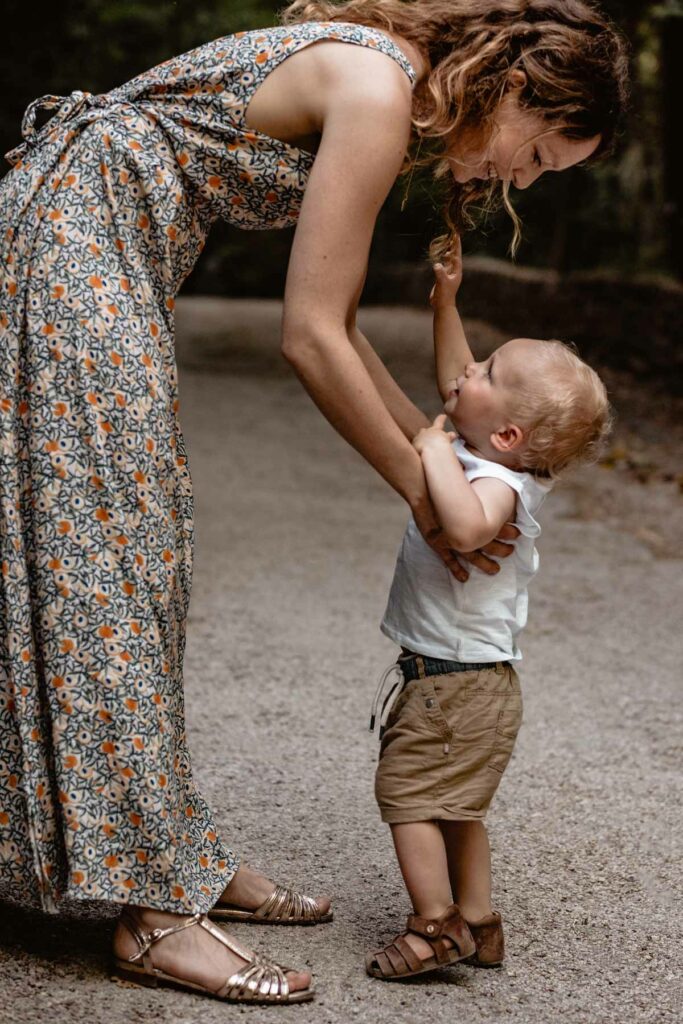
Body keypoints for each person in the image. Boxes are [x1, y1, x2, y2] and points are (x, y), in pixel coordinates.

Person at [0, 0, 627, 1006]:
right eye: (540, 154)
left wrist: (433, 463)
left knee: (135, 560)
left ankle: (170, 860)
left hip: (91, 239)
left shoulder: (386, 83)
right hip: (73, 244)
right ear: (513, 89)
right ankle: (151, 914)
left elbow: (344, 336)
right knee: (112, 561)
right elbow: (310, 336)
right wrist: (426, 500)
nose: (520, 181)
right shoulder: (378, 89)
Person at [365, 247, 610, 980]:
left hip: (453, 687)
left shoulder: (494, 480)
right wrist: (445, 304)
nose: (463, 377)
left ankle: (431, 928)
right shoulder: (496, 450)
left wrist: (430, 448)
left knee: (407, 797)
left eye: (485, 374)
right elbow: (454, 379)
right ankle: (478, 919)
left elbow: (469, 529)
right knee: (458, 808)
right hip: (467, 684)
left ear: (503, 436)